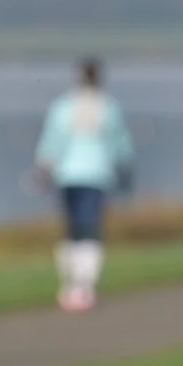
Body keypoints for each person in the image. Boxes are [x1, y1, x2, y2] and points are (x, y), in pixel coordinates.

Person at [31, 58, 135, 312]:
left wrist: (44, 168)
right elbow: (120, 144)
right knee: (88, 229)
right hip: (95, 174)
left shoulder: (64, 107)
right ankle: (81, 284)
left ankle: (75, 284)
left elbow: (52, 142)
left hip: (70, 174)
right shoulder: (108, 107)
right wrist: (125, 171)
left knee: (76, 228)